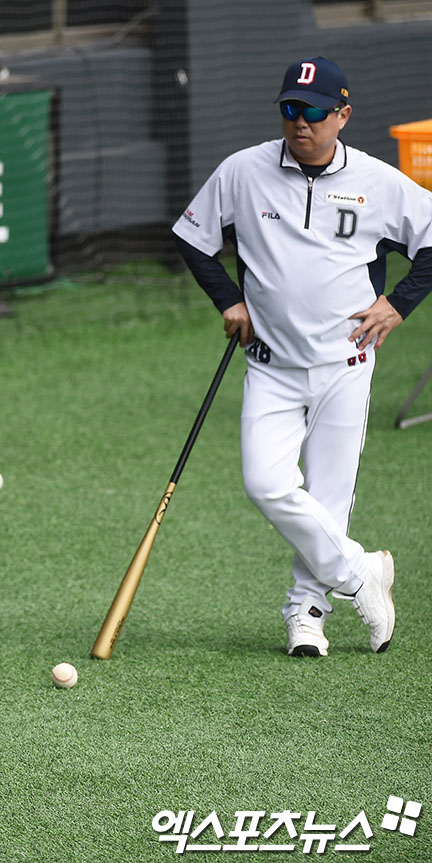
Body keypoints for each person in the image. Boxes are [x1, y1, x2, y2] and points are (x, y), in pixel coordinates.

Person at [172, 56, 432, 657]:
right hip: (270, 363)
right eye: (289, 109)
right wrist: (229, 300)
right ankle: (362, 574)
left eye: (313, 112)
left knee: (329, 496)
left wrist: (399, 305)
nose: (300, 123)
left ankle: (306, 615)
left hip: (346, 364)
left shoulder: (378, 181)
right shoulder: (244, 171)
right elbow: (191, 237)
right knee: (264, 483)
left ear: (342, 115)